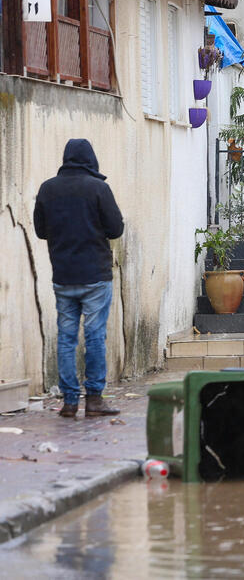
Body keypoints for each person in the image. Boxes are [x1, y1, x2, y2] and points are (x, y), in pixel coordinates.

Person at [33, 139, 124, 418]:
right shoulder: (99, 188)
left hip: (63, 276)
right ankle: (94, 400)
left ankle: (70, 402)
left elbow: (40, 231)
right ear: (90, 159)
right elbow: (115, 229)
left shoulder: (48, 189)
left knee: (66, 339)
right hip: (95, 276)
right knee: (95, 337)